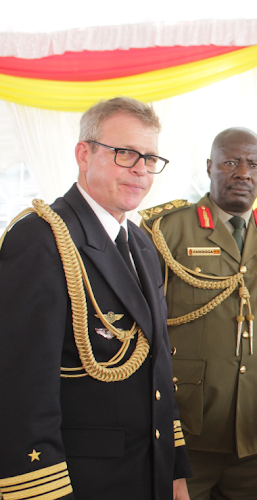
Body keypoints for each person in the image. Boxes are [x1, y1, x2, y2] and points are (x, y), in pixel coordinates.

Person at [0, 97, 191, 499]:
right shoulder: (40, 240)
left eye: (151, 158)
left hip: (148, 474)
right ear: (83, 154)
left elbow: (158, 370)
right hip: (82, 482)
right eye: (126, 154)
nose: (141, 169)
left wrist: (175, 472)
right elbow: (21, 391)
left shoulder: (141, 242)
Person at [140, 127, 257, 500]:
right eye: (230, 162)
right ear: (209, 167)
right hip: (186, 430)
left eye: (253, 165)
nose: (243, 173)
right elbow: (145, 337)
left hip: (255, 432)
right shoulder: (167, 230)